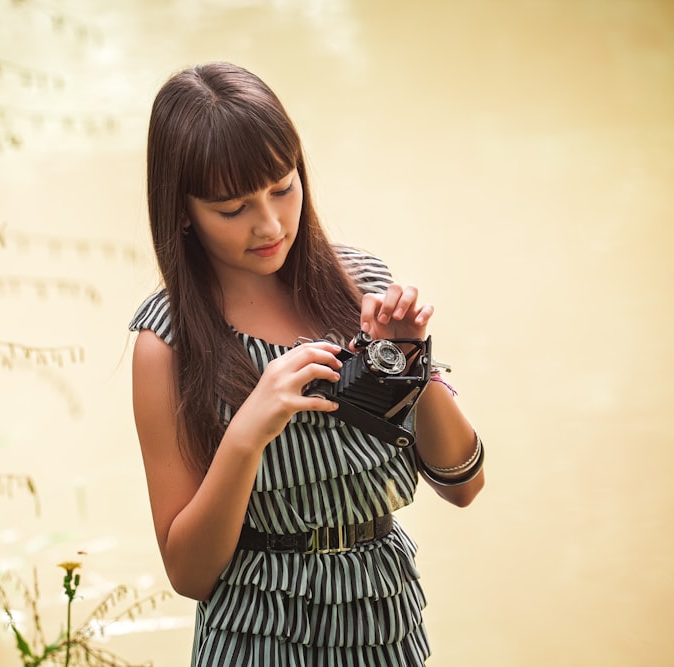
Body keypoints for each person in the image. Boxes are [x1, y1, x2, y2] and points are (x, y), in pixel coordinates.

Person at [128, 61, 485, 666]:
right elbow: (188, 574)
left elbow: (464, 486)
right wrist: (248, 431)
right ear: (183, 210)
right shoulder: (168, 343)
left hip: (383, 621)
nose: (269, 225)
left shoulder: (360, 287)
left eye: (282, 187)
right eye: (232, 207)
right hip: (256, 634)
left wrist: (406, 365)